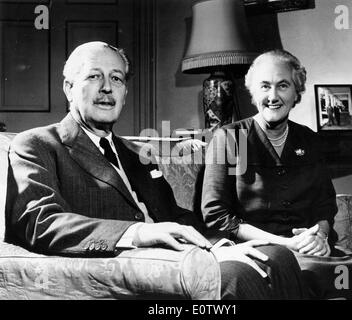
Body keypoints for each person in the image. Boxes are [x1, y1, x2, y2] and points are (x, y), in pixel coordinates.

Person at [5, 42, 306, 299]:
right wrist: (139, 232)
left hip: (178, 255)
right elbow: (39, 222)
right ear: (69, 88)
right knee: (236, 276)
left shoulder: (138, 154)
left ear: (124, 93)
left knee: (276, 256)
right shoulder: (37, 144)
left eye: (117, 79)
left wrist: (220, 244)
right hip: (125, 266)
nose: (107, 88)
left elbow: (173, 216)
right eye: (94, 77)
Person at [201, 49, 352, 299]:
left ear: (296, 92)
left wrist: (320, 235)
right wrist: (285, 244)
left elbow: (324, 205)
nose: (273, 96)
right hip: (259, 251)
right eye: (265, 86)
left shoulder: (309, 140)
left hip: (309, 250)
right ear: (253, 91)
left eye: (283, 85)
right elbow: (216, 215)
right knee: (305, 276)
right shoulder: (231, 138)